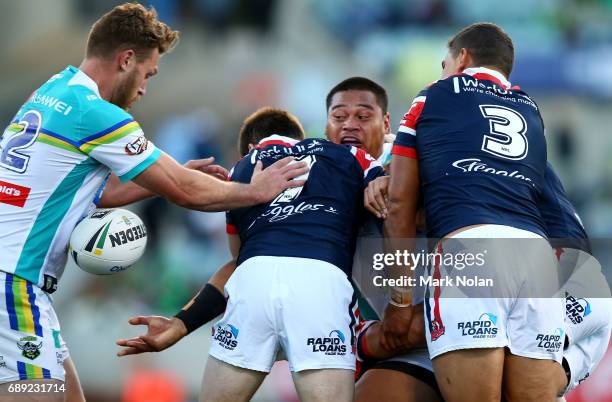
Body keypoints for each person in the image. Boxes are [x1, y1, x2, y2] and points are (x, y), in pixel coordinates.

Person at [0, 3, 307, 401]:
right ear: (126, 59)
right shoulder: (96, 113)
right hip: (14, 281)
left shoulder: (54, 91)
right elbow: (186, 190)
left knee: (71, 395)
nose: (145, 88)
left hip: (16, 281)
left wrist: (162, 179)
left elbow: (96, 193)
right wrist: (256, 191)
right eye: (147, 74)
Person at [117, 78, 442, 402]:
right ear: (324, 128)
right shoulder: (339, 167)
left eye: (362, 116)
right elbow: (239, 264)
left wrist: (395, 189)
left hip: (453, 315)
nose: (350, 126)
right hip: (390, 337)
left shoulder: (406, 161)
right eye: (339, 117)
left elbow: (240, 261)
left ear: (386, 123)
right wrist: (181, 323)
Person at [384, 22, 565, 402]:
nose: (443, 71)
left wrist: (400, 301)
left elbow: (399, 202)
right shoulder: (531, 109)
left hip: (470, 250)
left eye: (445, 63)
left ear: (462, 58)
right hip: (536, 257)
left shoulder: (433, 95)